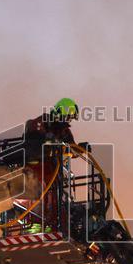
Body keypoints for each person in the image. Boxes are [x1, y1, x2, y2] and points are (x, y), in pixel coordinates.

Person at [19, 98, 79, 233]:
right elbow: (32, 136)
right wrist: (47, 138)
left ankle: (52, 224)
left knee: (55, 196)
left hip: (52, 170)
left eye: (71, 118)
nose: (69, 120)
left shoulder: (64, 131)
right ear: (61, 112)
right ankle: (35, 224)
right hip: (35, 166)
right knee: (40, 193)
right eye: (68, 116)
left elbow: (72, 148)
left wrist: (80, 148)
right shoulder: (41, 122)